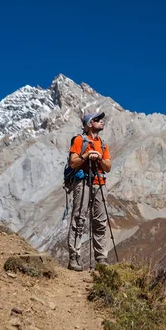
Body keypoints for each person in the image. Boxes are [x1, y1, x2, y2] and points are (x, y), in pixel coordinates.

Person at [66, 112, 112, 271]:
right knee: (79, 218)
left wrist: (99, 158)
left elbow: (108, 167)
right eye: (98, 120)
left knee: (100, 221)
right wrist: (86, 155)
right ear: (90, 123)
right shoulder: (80, 140)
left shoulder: (103, 143)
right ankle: (74, 257)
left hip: (99, 182)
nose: (102, 122)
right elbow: (73, 162)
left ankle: (101, 259)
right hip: (83, 181)